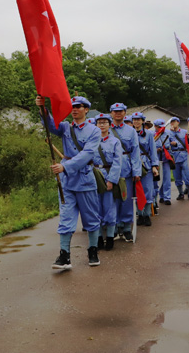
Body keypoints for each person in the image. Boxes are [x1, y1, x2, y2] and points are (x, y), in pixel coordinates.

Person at [36, 95, 102, 269]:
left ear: (86, 109)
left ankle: (93, 250)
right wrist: (43, 108)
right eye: (72, 106)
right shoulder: (65, 127)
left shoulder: (94, 131)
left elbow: (87, 154)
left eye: (79, 106)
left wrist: (66, 167)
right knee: (66, 217)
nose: (75, 109)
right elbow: (50, 125)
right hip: (67, 180)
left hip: (84, 177)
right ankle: (64, 255)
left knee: (91, 217)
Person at [110, 103, 142, 241]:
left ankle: (127, 227)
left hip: (126, 167)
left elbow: (135, 152)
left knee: (126, 198)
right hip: (109, 168)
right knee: (112, 199)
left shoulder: (131, 131)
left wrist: (136, 171)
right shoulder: (105, 129)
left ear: (124, 113)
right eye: (115, 111)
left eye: (120, 111)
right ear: (111, 113)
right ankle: (115, 226)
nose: (117, 113)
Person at [92, 112, 123, 251]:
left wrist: (111, 180)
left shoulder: (115, 142)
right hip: (94, 176)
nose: (102, 125)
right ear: (96, 125)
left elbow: (117, 162)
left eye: (105, 122)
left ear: (109, 125)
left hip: (109, 175)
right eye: (99, 122)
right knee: (95, 208)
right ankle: (98, 238)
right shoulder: (91, 141)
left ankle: (110, 237)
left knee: (109, 209)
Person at [130, 112, 159, 226]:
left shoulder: (149, 134)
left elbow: (153, 151)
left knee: (148, 190)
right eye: (134, 119)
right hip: (133, 164)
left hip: (146, 164)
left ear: (142, 121)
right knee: (136, 191)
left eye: (138, 119)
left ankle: (146, 215)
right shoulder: (130, 134)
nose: (136, 122)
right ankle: (139, 214)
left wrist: (154, 166)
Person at [165, 117, 189, 200]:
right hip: (174, 155)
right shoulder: (168, 133)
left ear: (178, 122)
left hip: (184, 154)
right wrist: (171, 144)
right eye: (171, 122)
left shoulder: (185, 132)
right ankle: (180, 193)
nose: (172, 123)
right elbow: (166, 144)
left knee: (187, 173)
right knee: (176, 175)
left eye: (174, 122)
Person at [153, 118, 173, 206]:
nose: (160, 128)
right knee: (158, 179)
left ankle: (167, 197)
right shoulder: (152, 135)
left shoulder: (168, 133)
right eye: (158, 127)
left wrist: (173, 144)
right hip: (157, 159)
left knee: (167, 179)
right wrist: (155, 149)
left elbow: (172, 144)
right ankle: (160, 196)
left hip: (166, 158)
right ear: (155, 127)